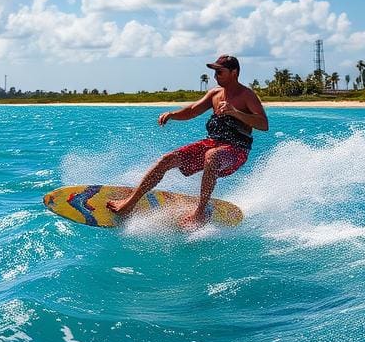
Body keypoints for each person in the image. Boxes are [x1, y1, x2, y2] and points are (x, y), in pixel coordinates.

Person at [107, 55, 268, 230]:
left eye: (220, 72)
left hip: (236, 151)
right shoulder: (215, 93)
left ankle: (200, 213)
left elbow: (263, 124)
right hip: (212, 144)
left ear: (234, 72)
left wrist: (236, 112)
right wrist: (173, 115)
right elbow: (192, 110)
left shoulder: (247, 95)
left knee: (212, 156)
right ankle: (130, 203)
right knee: (167, 159)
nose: (215, 76)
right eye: (214, 72)